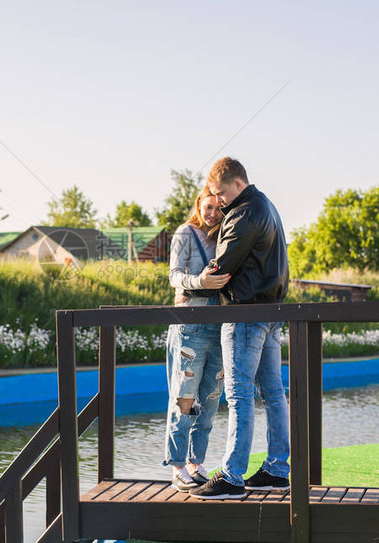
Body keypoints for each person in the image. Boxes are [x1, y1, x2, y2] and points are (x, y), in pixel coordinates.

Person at [189, 156, 290, 500]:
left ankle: (232, 475)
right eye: (212, 194)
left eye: (219, 192)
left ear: (237, 183)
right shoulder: (268, 207)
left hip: (246, 312)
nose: (216, 200)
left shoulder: (245, 212)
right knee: (273, 393)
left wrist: (192, 283)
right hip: (271, 311)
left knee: (239, 395)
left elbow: (220, 268)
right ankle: (278, 469)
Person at [163, 185, 231, 491]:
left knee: (211, 399)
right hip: (190, 323)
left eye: (218, 208)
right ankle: (177, 466)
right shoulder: (185, 233)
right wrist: (198, 281)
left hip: (219, 326)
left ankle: (196, 462)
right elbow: (174, 275)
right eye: (208, 208)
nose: (213, 214)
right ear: (199, 206)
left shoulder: (225, 237)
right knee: (184, 397)